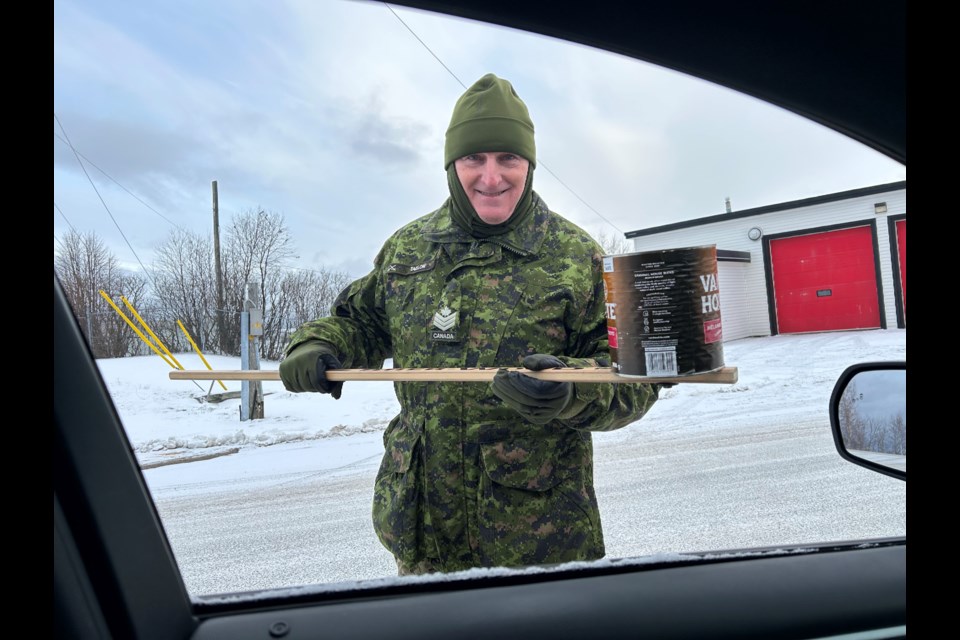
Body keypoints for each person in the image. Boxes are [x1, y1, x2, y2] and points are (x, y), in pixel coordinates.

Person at [279, 73, 663, 575]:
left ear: (529, 163)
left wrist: (573, 391)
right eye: (473, 158)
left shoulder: (574, 257)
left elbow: (636, 376)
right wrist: (312, 346)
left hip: (537, 541)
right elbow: (358, 325)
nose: (491, 176)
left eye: (508, 158)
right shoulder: (408, 250)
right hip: (423, 536)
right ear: (451, 164)